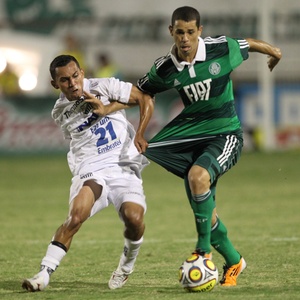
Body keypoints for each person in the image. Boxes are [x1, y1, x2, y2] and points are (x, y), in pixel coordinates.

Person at [133, 6, 281, 286]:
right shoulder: (165, 67)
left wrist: (275, 51)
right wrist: (110, 109)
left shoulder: (220, 48)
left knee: (197, 177)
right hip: (192, 139)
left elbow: (249, 43)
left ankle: (202, 253)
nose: (185, 38)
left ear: (199, 31)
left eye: (191, 32)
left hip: (226, 135)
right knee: (206, 215)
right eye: (180, 32)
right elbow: (142, 91)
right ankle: (235, 261)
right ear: (171, 32)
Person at [22, 54, 153, 292]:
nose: (72, 83)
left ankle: (125, 267)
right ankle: (43, 273)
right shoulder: (60, 112)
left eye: (75, 76)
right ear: (55, 85)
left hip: (124, 165)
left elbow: (144, 98)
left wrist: (132, 127)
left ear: (82, 72)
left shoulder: (105, 85)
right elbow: (80, 134)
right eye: (64, 80)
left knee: (135, 220)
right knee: (75, 216)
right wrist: (101, 111)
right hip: (92, 167)